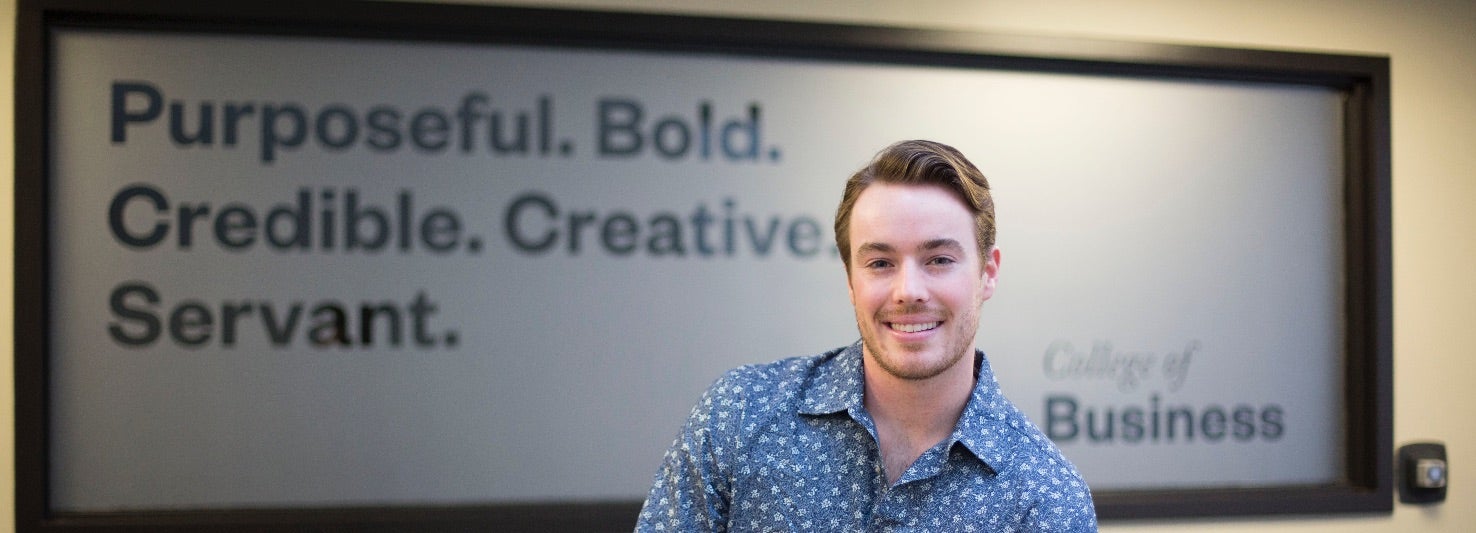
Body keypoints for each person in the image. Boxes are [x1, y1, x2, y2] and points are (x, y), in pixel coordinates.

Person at [636, 140, 1097, 532]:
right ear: (850, 278)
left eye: (938, 259)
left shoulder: (1046, 499)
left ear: (988, 274)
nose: (908, 291)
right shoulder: (739, 416)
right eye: (880, 263)